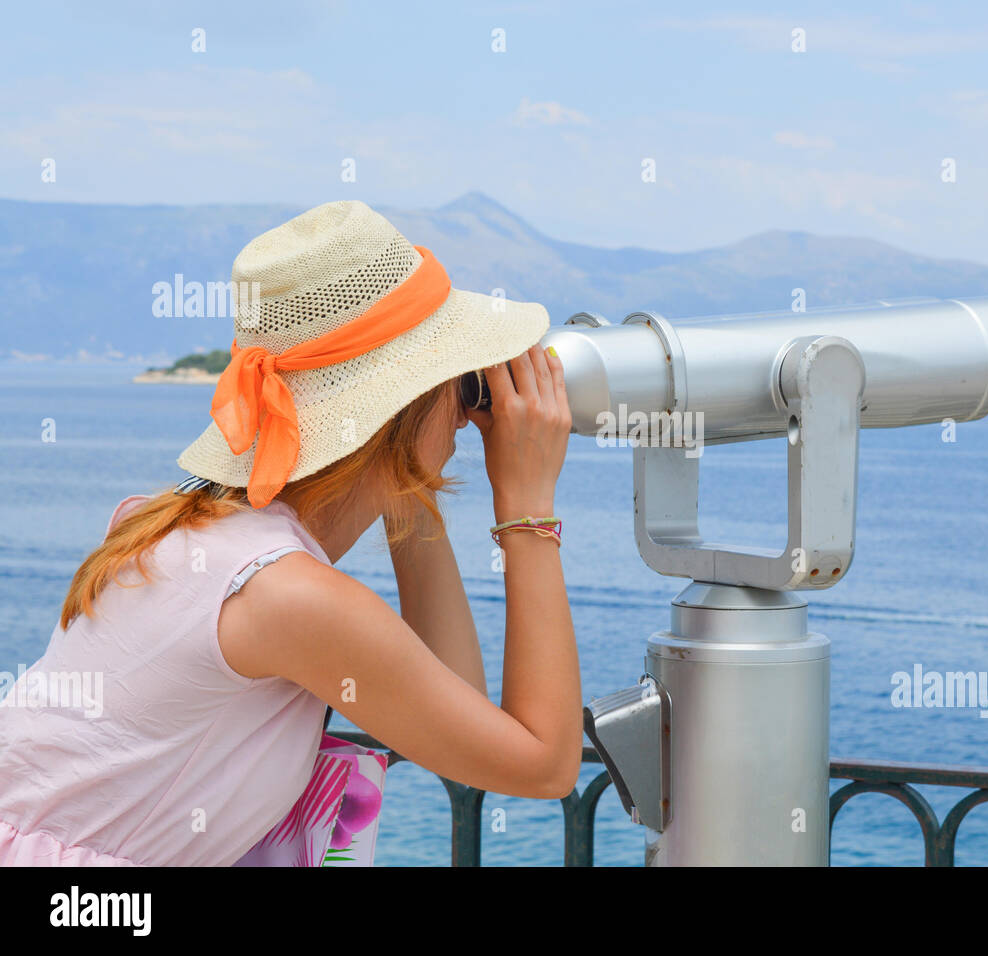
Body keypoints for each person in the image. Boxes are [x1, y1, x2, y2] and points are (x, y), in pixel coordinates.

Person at [0, 200, 579, 865]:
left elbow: (460, 727)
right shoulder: (288, 597)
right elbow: (543, 765)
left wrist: (405, 479)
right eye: (454, 379)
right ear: (402, 406)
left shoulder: (183, 534)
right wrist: (528, 503)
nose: (464, 403)